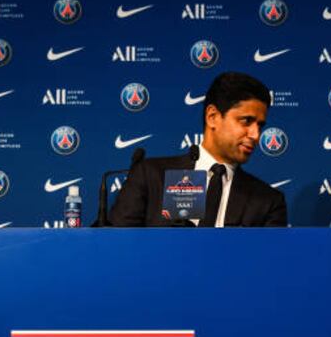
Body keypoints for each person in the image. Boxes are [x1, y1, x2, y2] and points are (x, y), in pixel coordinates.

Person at [109, 72, 288, 227]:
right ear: (212, 117)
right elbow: (116, 247)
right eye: (246, 121)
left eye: (260, 125)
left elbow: (267, 262)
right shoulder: (151, 176)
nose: (256, 135)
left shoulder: (268, 201)